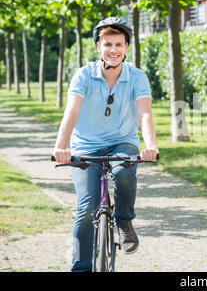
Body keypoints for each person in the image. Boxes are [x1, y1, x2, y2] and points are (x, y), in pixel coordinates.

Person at [52, 17, 159, 272]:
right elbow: (71, 113)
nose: (113, 50)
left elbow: (144, 113)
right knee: (87, 207)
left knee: (123, 172)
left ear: (126, 47)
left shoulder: (137, 77)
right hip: (86, 145)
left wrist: (150, 145)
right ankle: (80, 268)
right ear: (98, 46)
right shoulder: (84, 75)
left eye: (119, 44)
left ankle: (124, 222)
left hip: (123, 141)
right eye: (108, 43)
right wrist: (61, 147)